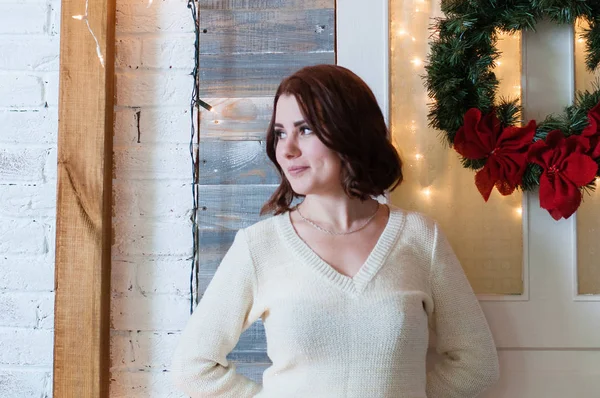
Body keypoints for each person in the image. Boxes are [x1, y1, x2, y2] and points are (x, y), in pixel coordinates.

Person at [170, 64, 500, 397]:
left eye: (306, 129)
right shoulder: (259, 247)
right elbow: (193, 368)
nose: (287, 149)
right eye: (281, 132)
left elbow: (476, 363)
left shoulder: (420, 238)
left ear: (351, 131)